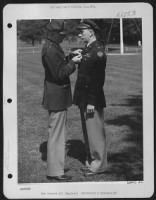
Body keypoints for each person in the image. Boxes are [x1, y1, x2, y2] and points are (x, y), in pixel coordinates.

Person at [41, 19, 82, 181]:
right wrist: (73, 62)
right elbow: (59, 74)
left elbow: (58, 66)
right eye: (60, 34)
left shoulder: (52, 46)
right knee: (57, 135)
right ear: (52, 34)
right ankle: (55, 172)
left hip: (57, 95)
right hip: (57, 96)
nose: (63, 37)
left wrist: (69, 57)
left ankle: (55, 169)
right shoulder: (51, 49)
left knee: (57, 133)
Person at [73, 19, 107, 176]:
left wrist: (92, 101)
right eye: (79, 31)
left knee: (95, 133)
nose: (80, 34)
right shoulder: (87, 49)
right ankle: (90, 161)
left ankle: (98, 165)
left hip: (92, 99)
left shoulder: (98, 50)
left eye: (82, 31)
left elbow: (98, 79)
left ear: (91, 31)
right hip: (83, 98)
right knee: (88, 132)